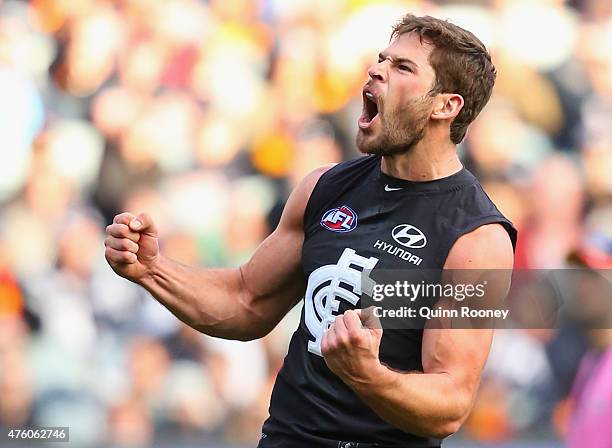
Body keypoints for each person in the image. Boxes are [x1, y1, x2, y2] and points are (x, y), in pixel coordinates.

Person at [105, 14, 517, 448]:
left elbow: (450, 402)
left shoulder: (476, 237)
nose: (376, 70)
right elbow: (246, 301)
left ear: (444, 106)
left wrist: (368, 376)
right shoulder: (324, 187)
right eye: (382, 59)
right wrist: (150, 268)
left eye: (403, 68)